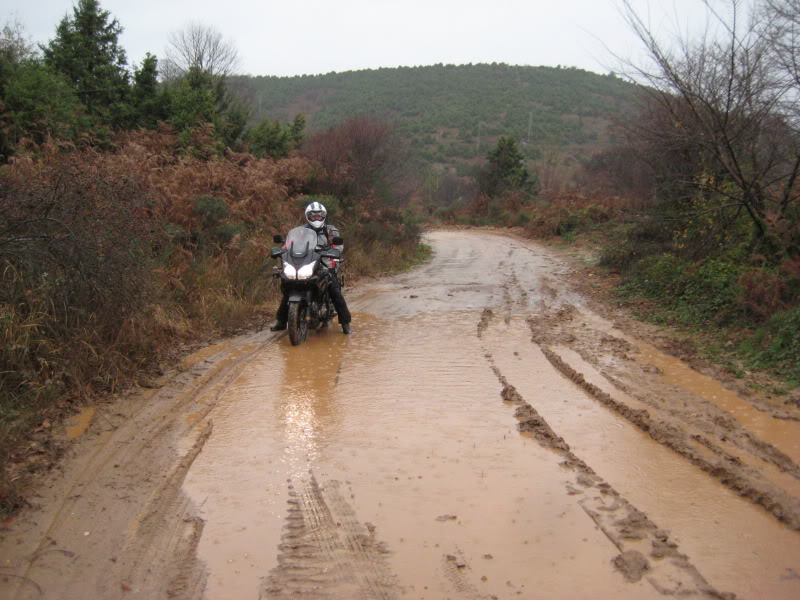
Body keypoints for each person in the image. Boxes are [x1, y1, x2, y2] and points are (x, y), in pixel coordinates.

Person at [271, 201, 352, 334]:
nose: (316, 218)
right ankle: (281, 321)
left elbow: (338, 245)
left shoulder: (330, 230)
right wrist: (283, 250)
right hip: (306, 262)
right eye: (313, 216)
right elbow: (289, 244)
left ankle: (345, 322)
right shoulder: (301, 231)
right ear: (308, 216)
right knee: (290, 288)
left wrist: (334, 251)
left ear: (324, 216)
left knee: (334, 291)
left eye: (319, 215)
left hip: (326, 264)